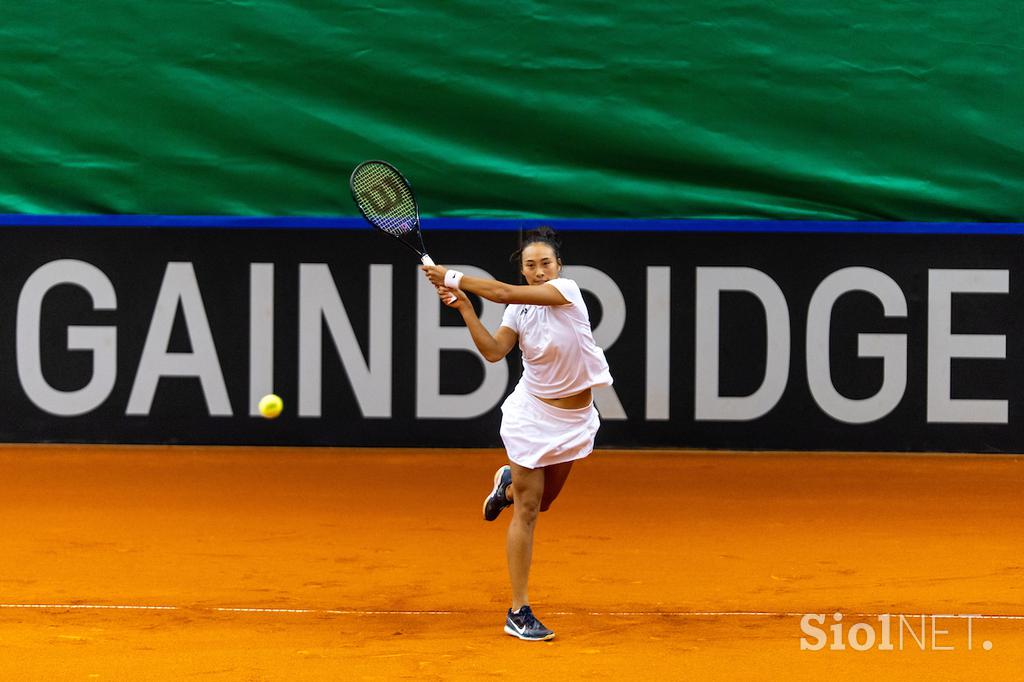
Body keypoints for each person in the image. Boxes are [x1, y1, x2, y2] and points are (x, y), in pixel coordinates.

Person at [422, 226, 613, 642]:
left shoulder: (567, 291)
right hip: (530, 415)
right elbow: (494, 352)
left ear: (558, 267)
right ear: (523, 269)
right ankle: (518, 610)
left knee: (543, 503)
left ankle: (506, 486)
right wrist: (466, 309)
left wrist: (449, 276)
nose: (540, 271)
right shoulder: (518, 312)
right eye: (531, 265)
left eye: (546, 263)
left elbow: (504, 292)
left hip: (575, 422)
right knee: (528, 511)